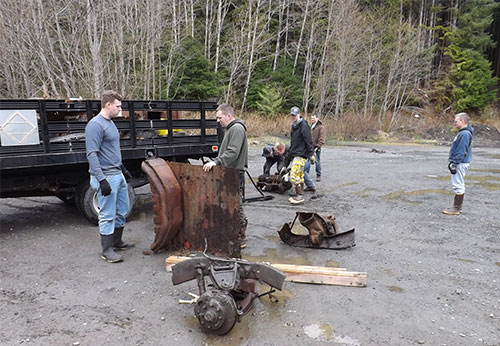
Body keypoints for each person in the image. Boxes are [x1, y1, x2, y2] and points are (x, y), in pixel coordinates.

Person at [85, 90, 134, 263]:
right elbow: (92, 154)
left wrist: (123, 168)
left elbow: (111, 151)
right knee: (107, 213)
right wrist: (101, 179)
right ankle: (107, 250)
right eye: (118, 106)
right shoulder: (95, 125)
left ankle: (117, 241)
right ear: (107, 105)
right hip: (106, 176)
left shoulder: (110, 123)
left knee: (122, 209)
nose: (120, 110)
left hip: (117, 173)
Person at [203, 104, 249, 248]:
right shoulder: (231, 129)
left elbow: (233, 152)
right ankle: (233, 232)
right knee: (230, 203)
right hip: (229, 172)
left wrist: (217, 161)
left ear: (229, 116)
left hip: (234, 173)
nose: (217, 121)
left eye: (219, 117)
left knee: (236, 204)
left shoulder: (236, 129)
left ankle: (241, 236)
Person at [443, 112, 473, 215]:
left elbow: (461, 150)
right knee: (458, 183)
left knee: (458, 184)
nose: (454, 123)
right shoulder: (463, 133)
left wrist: (455, 163)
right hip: (460, 162)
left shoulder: (464, 134)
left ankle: (457, 208)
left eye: (456, 121)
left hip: (460, 163)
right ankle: (456, 207)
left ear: (463, 121)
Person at [287, 106, 314, 205]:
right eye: (292, 115)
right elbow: (293, 141)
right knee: (300, 175)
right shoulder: (294, 125)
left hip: (301, 154)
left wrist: (311, 153)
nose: (293, 117)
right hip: (296, 152)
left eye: (295, 115)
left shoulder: (303, 125)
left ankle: (299, 196)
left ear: (299, 114)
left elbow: (308, 140)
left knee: (293, 176)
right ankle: (299, 192)